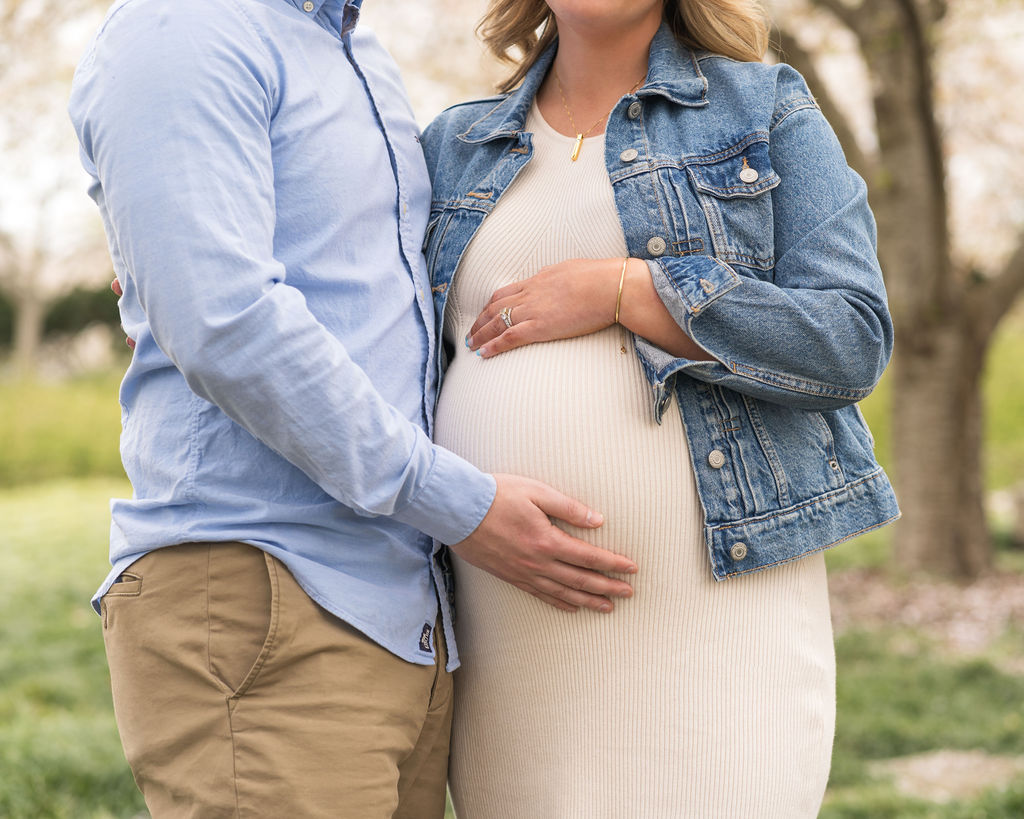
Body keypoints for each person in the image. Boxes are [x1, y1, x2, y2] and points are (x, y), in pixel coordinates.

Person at [67, 0, 639, 816]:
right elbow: (225, 322)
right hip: (262, 596)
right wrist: (461, 506)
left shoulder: (351, 49)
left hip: (399, 614)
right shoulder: (186, 26)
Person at [421, 0, 900, 815]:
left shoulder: (765, 107)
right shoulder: (451, 146)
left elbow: (851, 338)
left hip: (716, 621)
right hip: (509, 633)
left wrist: (630, 290)